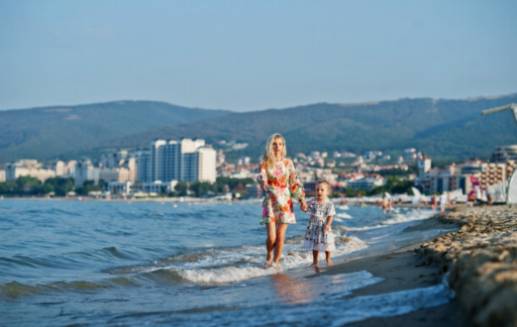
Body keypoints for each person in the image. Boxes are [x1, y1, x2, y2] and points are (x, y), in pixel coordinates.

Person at [257, 133, 307, 267]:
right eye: (274, 144)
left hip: (285, 202)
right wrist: (262, 183)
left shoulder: (288, 163)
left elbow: (294, 182)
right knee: (272, 237)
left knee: (280, 235)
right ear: (270, 146)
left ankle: (275, 263)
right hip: (270, 202)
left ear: (283, 146)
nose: (277, 147)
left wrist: (302, 199)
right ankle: (269, 254)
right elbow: (262, 178)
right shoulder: (265, 163)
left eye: (280, 144)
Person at [303, 180, 336, 269]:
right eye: (317, 190)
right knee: (315, 244)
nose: (319, 192)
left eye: (322, 190)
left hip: (324, 226)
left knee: (327, 243)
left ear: (327, 192)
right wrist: (302, 204)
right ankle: (315, 261)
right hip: (314, 226)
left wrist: (328, 224)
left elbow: (331, 215)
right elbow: (305, 209)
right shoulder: (312, 202)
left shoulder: (329, 203)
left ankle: (328, 258)